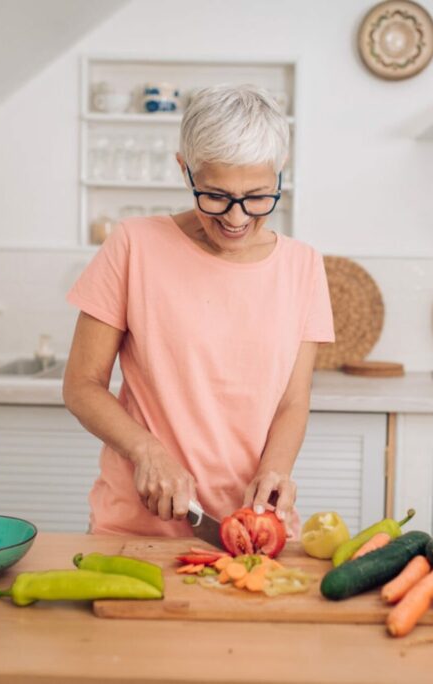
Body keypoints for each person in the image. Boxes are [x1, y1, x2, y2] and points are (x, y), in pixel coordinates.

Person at [63, 84, 334, 537]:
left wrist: (275, 473)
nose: (236, 217)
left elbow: (292, 402)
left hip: (254, 531)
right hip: (137, 529)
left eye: (257, 196)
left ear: (280, 172)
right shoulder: (133, 245)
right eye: (216, 195)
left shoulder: (303, 266)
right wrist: (147, 451)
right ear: (184, 169)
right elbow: (81, 385)